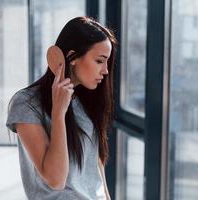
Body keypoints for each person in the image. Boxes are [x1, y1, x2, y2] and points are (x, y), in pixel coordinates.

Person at [6, 16, 117, 200]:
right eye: (99, 61)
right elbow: (56, 179)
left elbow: (96, 167)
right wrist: (59, 113)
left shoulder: (87, 100)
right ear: (72, 57)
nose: (105, 70)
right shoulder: (26, 104)